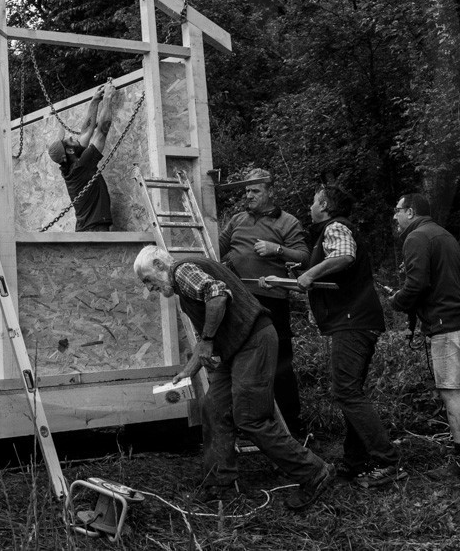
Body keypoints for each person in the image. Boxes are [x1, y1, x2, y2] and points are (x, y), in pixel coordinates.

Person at [133, 244, 334, 509]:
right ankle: (219, 484)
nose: (150, 288)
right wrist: (187, 371)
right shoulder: (185, 283)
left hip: (253, 340)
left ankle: (313, 472)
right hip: (237, 347)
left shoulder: (181, 271)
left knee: (251, 418)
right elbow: (207, 338)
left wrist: (206, 341)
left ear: (160, 265)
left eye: (148, 280)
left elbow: (217, 293)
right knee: (213, 407)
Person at [297, 184, 401, 488]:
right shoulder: (332, 230)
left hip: (352, 322)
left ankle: (387, 461)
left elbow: (344, 257)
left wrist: (310, 274)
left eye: (315, 202)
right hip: (356, 321)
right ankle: (355, 462)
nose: (310, 207)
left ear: (326, 205)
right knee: (351, 390)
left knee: (346, 392)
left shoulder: (336, 227)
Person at [389, 193, 460, 476]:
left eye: (397, 210)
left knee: (450, 390)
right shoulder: (443, 234)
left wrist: (397, 301)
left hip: (448, 322)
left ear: (411, 212)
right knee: (458, 388)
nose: (394, 216)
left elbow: (417, 284)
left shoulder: (417, 237)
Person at [219, 168, 308, 437]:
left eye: (255, 190)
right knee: (239, 362)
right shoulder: (237, 220)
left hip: (272, 301)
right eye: (246, 191)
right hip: (239, 301)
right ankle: (247, 424)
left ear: (270, 191)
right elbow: (216, 248)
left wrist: (277, 250)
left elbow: (304, 257)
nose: (249, 195)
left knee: (279, 365)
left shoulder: (287, 222)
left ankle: (292, 429)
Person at [47, 82, 115, 231]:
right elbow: (101, 132)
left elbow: (86, 132)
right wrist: (108, 98)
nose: (73, 138)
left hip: (87, 228)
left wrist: (94, 101)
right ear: (70, 151)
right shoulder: (81, 167)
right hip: (94, 229)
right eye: (69, 140)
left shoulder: (71, 164)